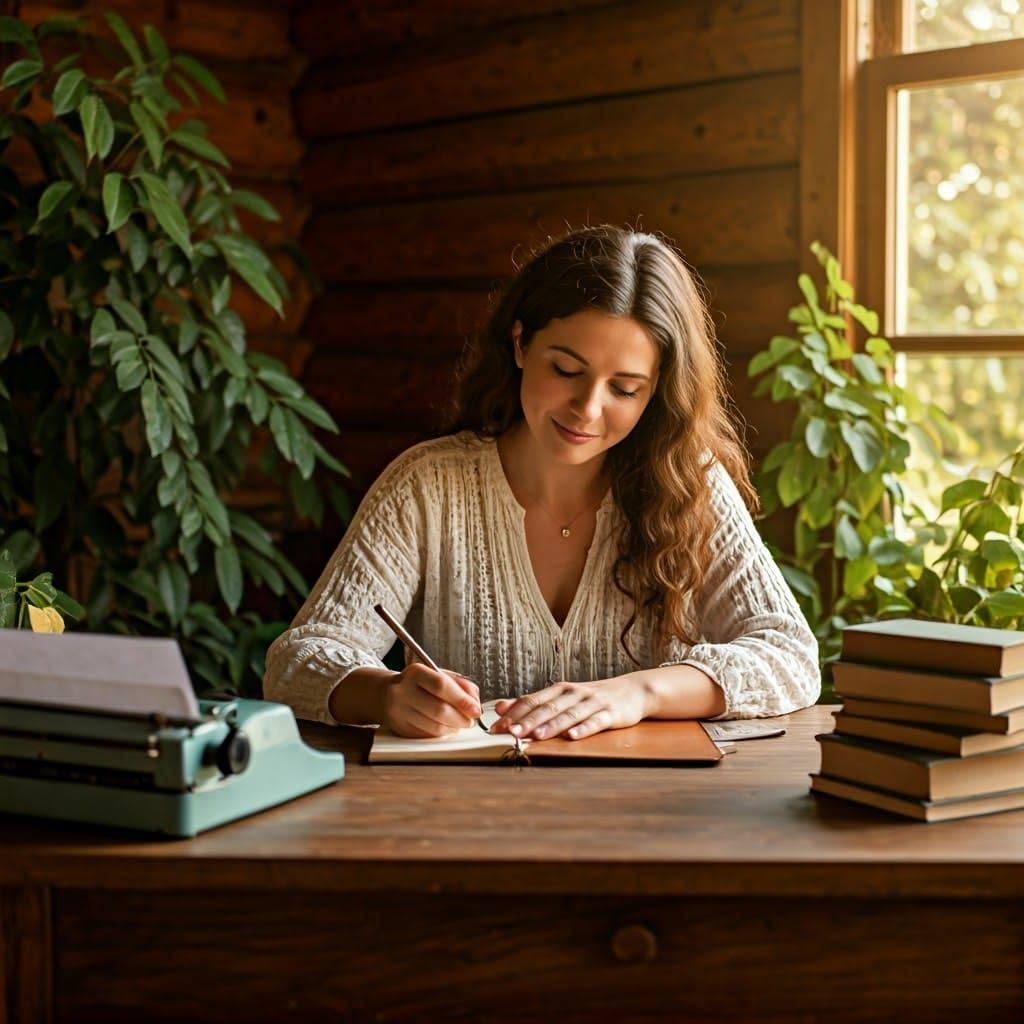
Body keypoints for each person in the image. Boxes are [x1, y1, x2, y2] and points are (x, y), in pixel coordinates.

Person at [263, 225, 820, 740]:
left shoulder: (689, 483)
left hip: (651, 816)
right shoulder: (426, 485)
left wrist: (641, 692)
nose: (587, 409)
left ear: (656, 394)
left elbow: (791, 656)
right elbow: (297, 661)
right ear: (521, 343)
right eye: (567, 371)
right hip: (464, 819)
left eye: (624, 389)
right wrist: (383, 696)